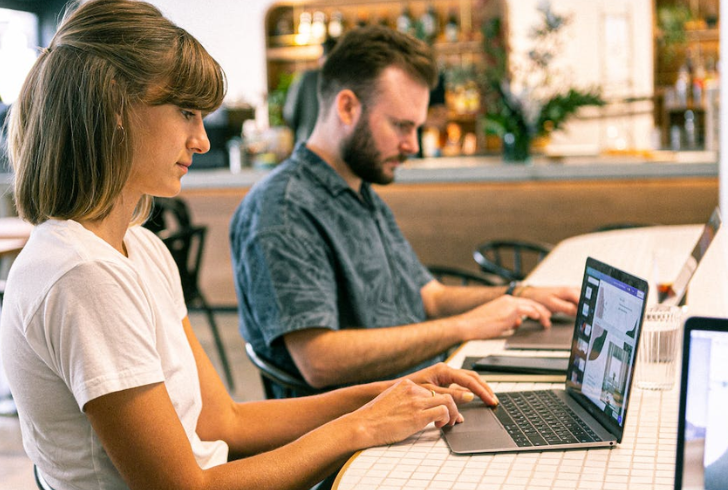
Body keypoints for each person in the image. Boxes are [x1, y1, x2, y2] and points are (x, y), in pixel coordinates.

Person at [0, 2, 499, 489]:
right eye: (186, 113)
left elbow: (227, 423)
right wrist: (361, 426)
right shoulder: (81, 274)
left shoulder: (139, 248)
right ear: (114, 108)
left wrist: (392, 393)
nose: (203, 140)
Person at [229, 25, 579, 398]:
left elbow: (429, 297)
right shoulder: (282, 210)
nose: (412, 145)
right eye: (400, 126)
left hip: (419, 392)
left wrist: (518, 294)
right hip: (356, 429)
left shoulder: (359, 190)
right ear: (347, 106)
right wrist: (463, 327)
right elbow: (319, 361)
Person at [283, 38, 337, 145]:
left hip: (307, 143)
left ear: (321, 58)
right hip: (335, 147)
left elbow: (290, 113)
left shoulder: (306, 78)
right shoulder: (345, 80)